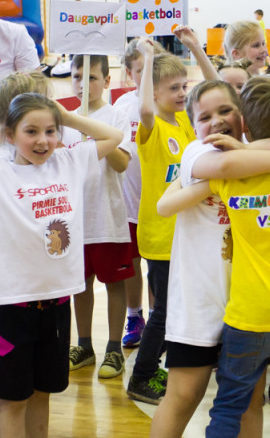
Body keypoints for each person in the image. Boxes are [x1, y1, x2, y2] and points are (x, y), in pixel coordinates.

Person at [0, 92, 123, 437]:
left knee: (43, 394)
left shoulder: (69, 162)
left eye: (50, 131)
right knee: (13, 400)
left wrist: (65, 118)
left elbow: (114, 137)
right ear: (9, 135)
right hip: (12, 307)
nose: (43, 140)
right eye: (31, 131)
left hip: (56, 304)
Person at [150, 79, 270, 438]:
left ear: (243, 115)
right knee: (184, 395)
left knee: (248, 401)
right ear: (193, 125)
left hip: (247, 303)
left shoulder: (254, 153)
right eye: (205, 116)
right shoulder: (196, 152)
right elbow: (227, 168)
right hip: (200, 301)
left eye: (225, 110)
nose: (216, 121)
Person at [126, 40, 197, 405]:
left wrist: (196, 50)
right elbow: (144, 107)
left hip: (184, 236)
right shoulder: (151, 130)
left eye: (184, 86)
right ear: (153, 93)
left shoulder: (184, 121)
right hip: (160, 237)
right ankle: (141, 377)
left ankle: (157, 367)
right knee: (163, 311)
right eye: (174, 88)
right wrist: (150, 57)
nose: (182, 93)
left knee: (174, 309)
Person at [65, 55, 134, 380]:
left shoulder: (116, 116)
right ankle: (84, 345)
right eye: (77, 76)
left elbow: (121, 164)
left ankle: (114, 348)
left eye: (91, 77)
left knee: (115, 283)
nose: (83, 83)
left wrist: (93, 134)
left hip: (107, 216)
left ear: (107, 81)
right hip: (72, 220)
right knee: (80, 285)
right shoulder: (64, 119)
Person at [113, 38, 167, 352]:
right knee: (132, 263)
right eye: (139, 69)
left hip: (161, 201)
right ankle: (135, 316)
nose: (146, 74)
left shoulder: (168, 105)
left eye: (152, 67)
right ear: (129, 73)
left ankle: (159, 320)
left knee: (158, 267)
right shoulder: (122, 106)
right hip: (130, 200)